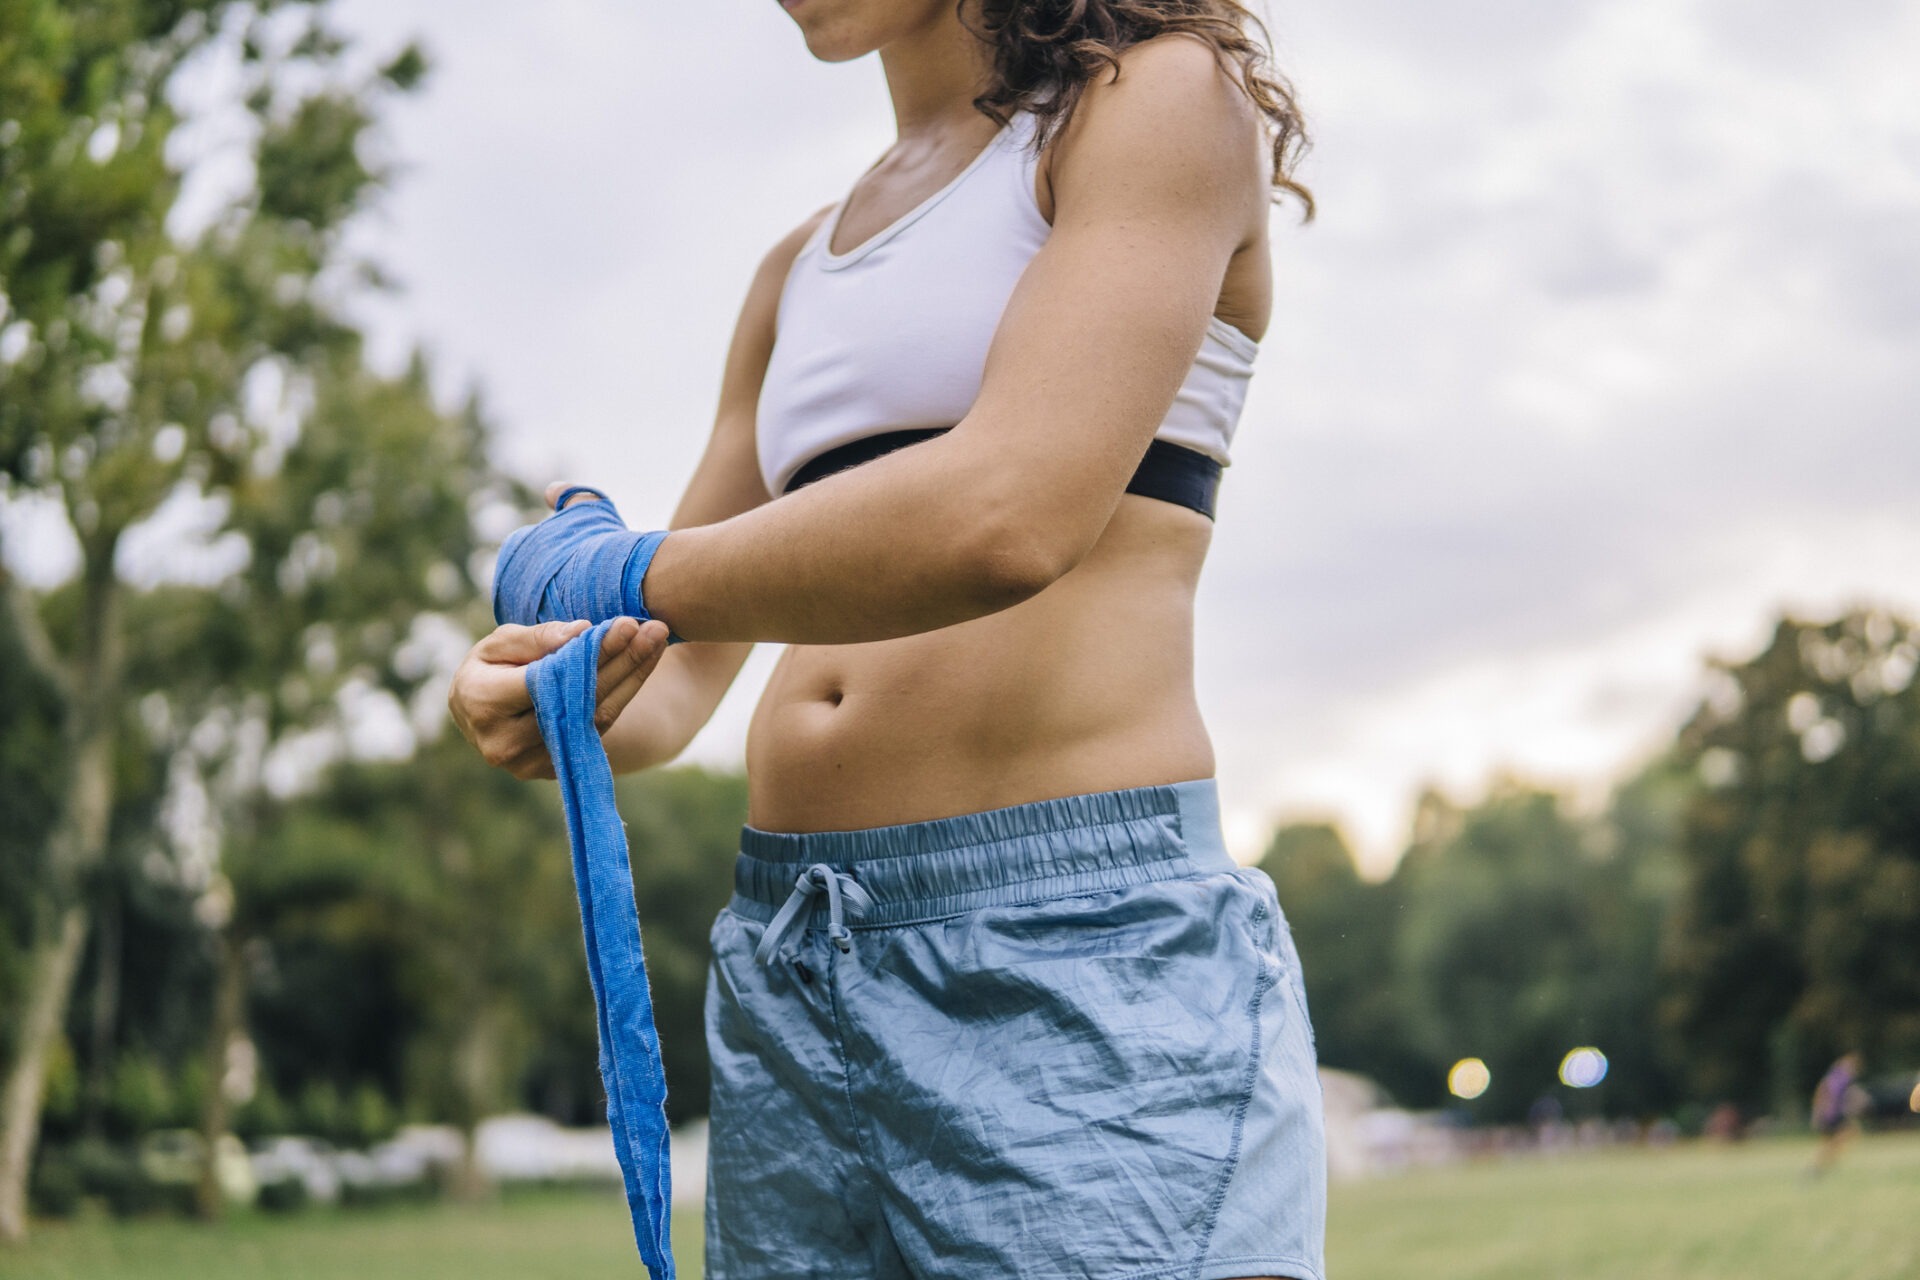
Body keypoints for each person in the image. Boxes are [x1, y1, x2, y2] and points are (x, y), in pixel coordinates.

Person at [448, 2, 1323, 1277]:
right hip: (789, 958)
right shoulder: (796, 269)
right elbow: (675, 672)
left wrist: (628, 568)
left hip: (1071, 944)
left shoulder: (1155, 105)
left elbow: (1006, 511)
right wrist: (547, 689)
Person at [1807, 1052, 1866, 1179]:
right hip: (1831, 1115)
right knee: (1846, 1135)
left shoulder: (1836, 1076)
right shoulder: (1841, 1077)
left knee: (1833, 1143)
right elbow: (1823, 1092)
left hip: (1831, 1114)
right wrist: (1818, 1112)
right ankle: (1818, 1167)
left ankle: (1819, 1168)